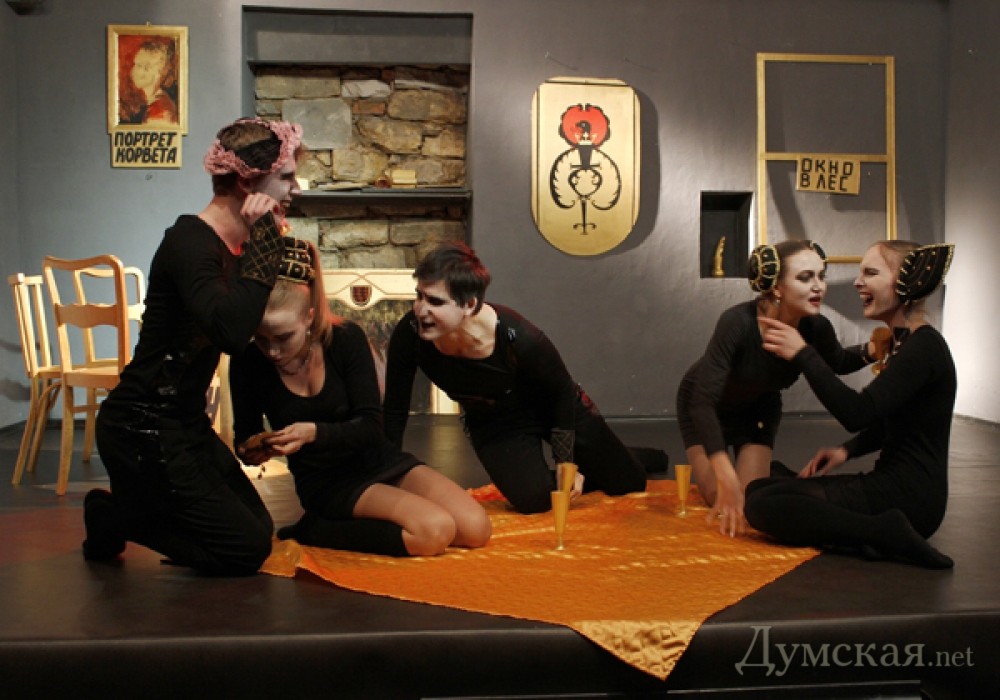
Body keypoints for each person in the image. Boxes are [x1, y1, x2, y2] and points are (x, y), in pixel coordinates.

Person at [86, 117, 304, 575]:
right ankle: (114, 515)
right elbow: (231, 331)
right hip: (142, 428)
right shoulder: (190, 243)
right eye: (286, 177)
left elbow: (249, 329)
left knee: (258, 527)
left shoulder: (236, 246)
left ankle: (132, 509)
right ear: (247, 182)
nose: (295, 189)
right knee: (243, 551)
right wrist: (266, 240)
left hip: (185, 424)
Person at [229, 238, 491, 557]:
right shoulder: (248, 362)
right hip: (327, 482)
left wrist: (313, 433)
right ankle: (315, 530)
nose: (272, 351)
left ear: (309, 318)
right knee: (433, 532)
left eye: (284, 337)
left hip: (376, 458)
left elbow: (370, 426)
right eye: (261, 338)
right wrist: (254, 449)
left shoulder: (345, 340)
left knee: (476, 529)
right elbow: (245, 439)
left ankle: (344, 523)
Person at [382, 242, 666, 515]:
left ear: (469, 304)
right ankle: (604, 461)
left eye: (435, 301)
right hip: (495, 422)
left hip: (552, 407)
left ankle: (625, 459)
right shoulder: (409, 336)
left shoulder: (519, 337)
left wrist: (566, 463)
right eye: (419, 296)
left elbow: (561, 393)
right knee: (534, 500)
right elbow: (395, 409)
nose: (420, 309)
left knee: (629, 483)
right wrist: (387, 473)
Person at [748, 241, 956, 569]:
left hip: (909, 498)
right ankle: (875, 529)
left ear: (908, 282)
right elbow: (892, 420)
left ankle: (884, 532)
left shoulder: (924, 348)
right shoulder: (907, 343)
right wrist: (846, 451)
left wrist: (803, 354)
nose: (858, 282)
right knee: (759, 487)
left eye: (870, 273)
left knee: (760, 505)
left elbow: (857, 413)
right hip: (897, 488)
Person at [676, 240, 868, 537]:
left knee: (749, 500)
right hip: (705, 407)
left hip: (757, 410)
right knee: (719, 496)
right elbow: (702, 401)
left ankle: (769, 472)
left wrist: (875, 348)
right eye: (805, 278)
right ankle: (748, 471)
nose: (818, 286)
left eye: (821, 276)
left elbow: (839, 361)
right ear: (777, 287)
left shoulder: (815, 326)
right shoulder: (737, 322)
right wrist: (724, 471)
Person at [119, 39, 179, 126]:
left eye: (140, 66)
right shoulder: (154, 103)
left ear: (159, 71)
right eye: (135, 64)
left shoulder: (160, 110)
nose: (133, 71)